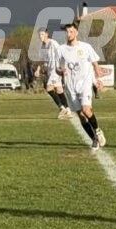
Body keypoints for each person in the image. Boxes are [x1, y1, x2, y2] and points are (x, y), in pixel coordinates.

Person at [58, 21, 106, 150]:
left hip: (84, 84)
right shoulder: (61, 49)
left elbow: (95, 63)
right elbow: (58, 68)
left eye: (71, 32)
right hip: (70, 86)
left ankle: (98, 130)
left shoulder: (86, 47)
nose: (69, 34)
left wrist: (98, 78)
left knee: (86, 110)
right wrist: (60, 71)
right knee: (80, 115)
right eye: (67, 32)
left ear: (76, 32)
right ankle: (94, 139)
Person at [37, 28, 71, 118]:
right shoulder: (43, 46)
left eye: (42, 34)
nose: (41, 36)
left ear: (47, 34)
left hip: (55, 70)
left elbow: (62, 54)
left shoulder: (53, 43)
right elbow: (41, 60)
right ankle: (67, 109)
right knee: (59, 90)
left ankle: (62, 108)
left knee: (49, 89)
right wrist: (38, 69)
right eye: (39, 35)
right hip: (50, 71)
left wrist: (63, 68)